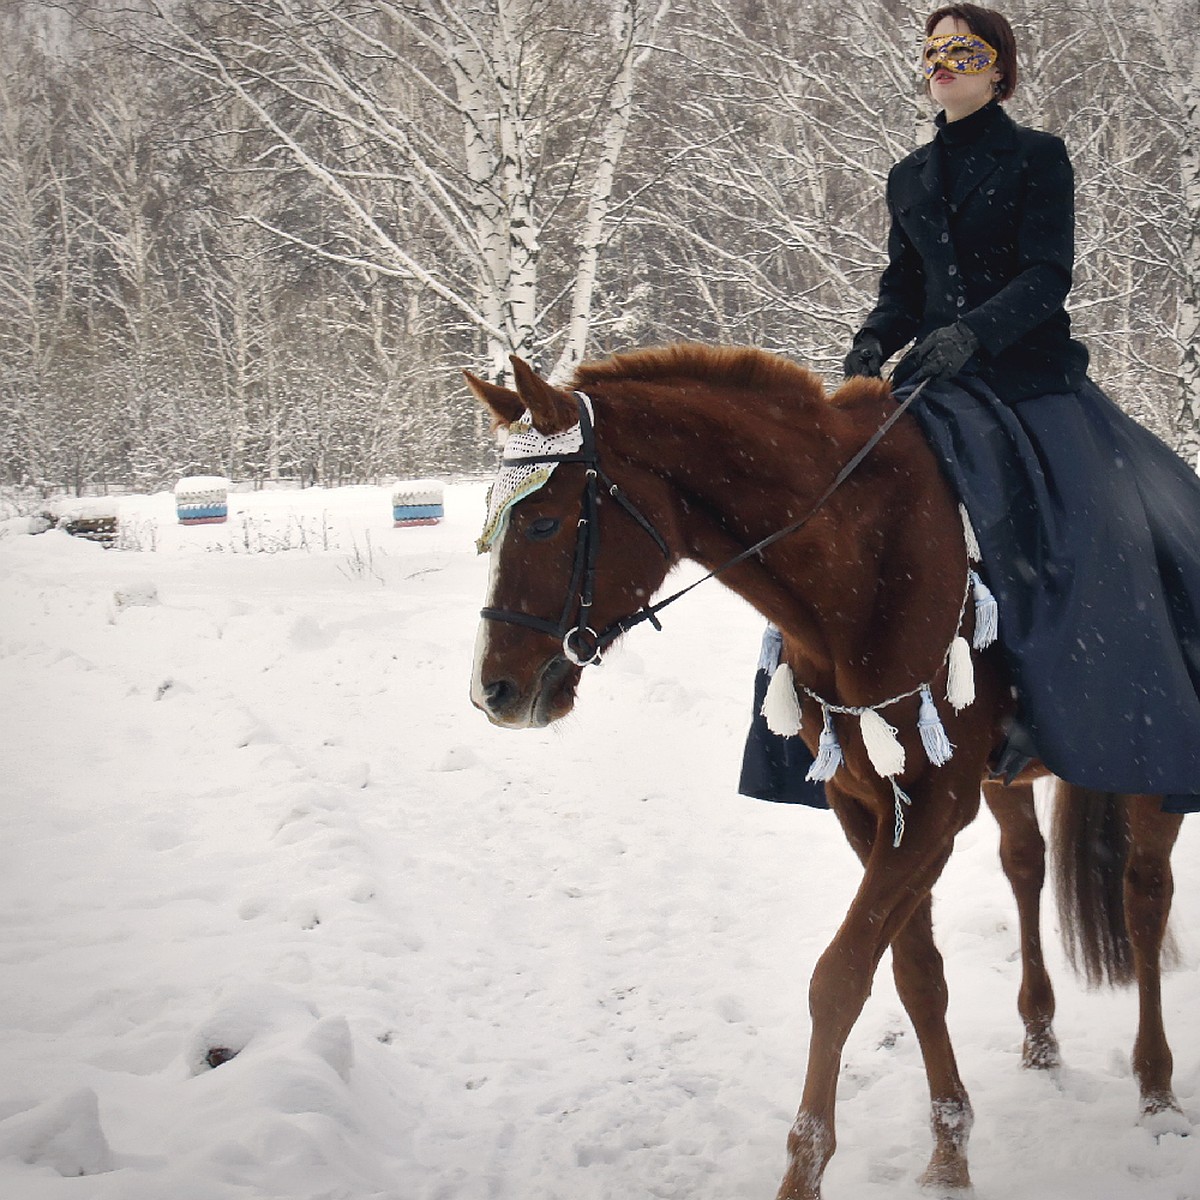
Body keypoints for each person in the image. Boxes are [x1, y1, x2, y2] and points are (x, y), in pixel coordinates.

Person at [740, 3, 1200, 813]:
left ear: (999, 68)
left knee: (1088, 532)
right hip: (933, 382)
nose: (945, 61)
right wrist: (871, 342)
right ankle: (811, 719)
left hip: (1030, 380)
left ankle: (1045, 712)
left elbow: (1045, 275)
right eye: (934, 51)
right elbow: (902, 286)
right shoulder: (908, 176)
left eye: (965, 49)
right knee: (837, 508)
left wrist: (972, 334)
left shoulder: (1036, 158)